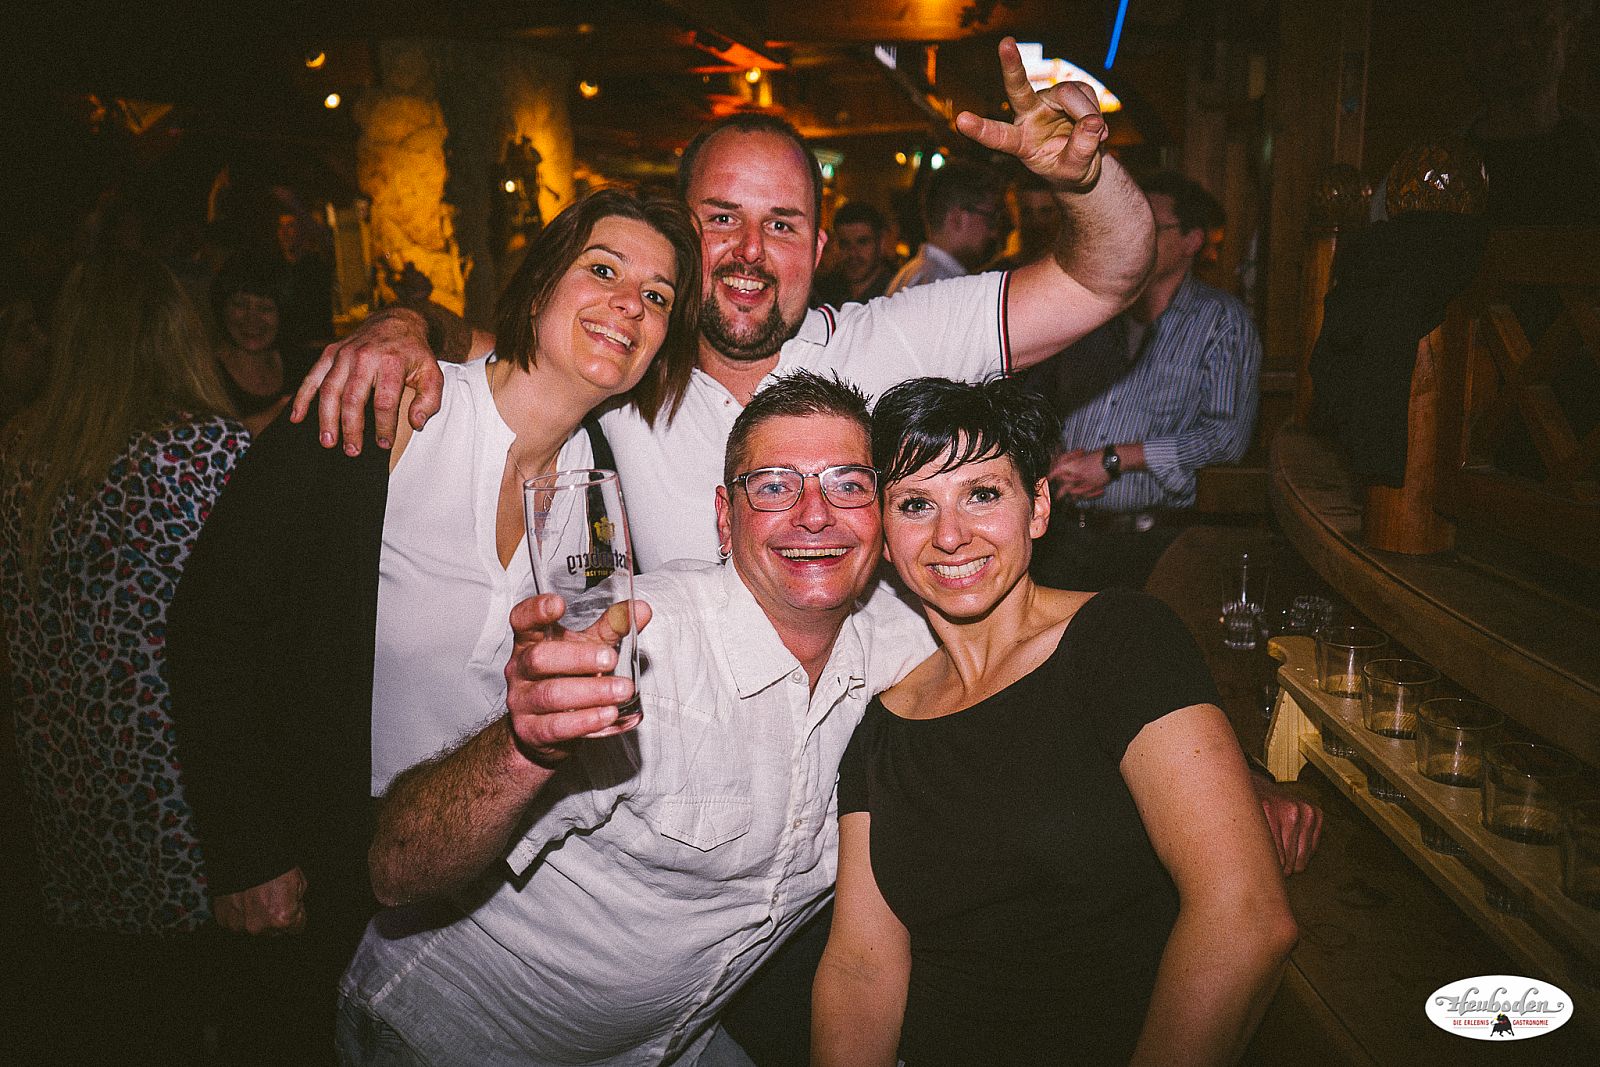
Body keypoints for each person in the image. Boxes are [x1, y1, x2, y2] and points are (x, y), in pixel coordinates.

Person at [166, 187, 701, 1060]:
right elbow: (212, 620)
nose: (629, 305)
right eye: (603, 270)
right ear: (539, 286)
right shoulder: (391, 408)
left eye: (657, 295)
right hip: (317, 859)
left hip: (463, 878)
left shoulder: (596, 482)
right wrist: (246, 848)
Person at [292, 36, 1157, 573]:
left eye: (781, 224)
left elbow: (1104, 278)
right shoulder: (621, 363)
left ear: (818, 248)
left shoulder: (892, 340)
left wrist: (1083, 181)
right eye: (720, 219)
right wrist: (405, 326)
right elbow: (490, 343)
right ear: (680, 233)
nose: (749, 251)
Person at [337, 372, 936, 1065]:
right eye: (774, 486)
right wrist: (523, 748)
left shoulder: (905, 638)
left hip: (666, 1045)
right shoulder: (641, 646)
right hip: (454, 1036)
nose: (814, 514)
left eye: (847, 485)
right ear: (724, 519)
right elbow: (396, 870)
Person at [813, 377, 1299, 1066]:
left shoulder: (1120, 641)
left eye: (983, 493)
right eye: (916, 504)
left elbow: (1246, 917)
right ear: (885, 539)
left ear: (1038, 506)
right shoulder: (882, 731)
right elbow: (861, 967)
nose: (950, 535)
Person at [0, 250, 248, 1064]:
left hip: (69, 798)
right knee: (208, 1019)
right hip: (185, 805)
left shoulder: (18, 456)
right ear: (177, 333)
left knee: (113, 1022)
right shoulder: (203, 453)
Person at [1028, 172, 1260, 592]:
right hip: (1064, 534)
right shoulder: (1096, 311)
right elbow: (1046, 398)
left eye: (1151, 225)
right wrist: (1055, 452)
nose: (1135, 235)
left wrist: (1115, 459)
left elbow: (1227, 439)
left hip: (1152, 544)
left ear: (1192, 240)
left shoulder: (1222, 322)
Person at [883, 158, 1009, 294]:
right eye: (990, 219)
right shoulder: (944, 283)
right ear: (957, 218)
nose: (994, 233)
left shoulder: (908, 274)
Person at [211, 253, 292, 434]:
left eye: (265, 308)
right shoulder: (206, 376)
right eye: (240, 305)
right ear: (223, 308)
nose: (251, 320)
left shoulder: (298, 364)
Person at [809, 201, 896, 307]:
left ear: (881, 243)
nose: (852, 253)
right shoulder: (823, 294)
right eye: (845, 244)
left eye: (862, 242)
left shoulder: (894, 295)